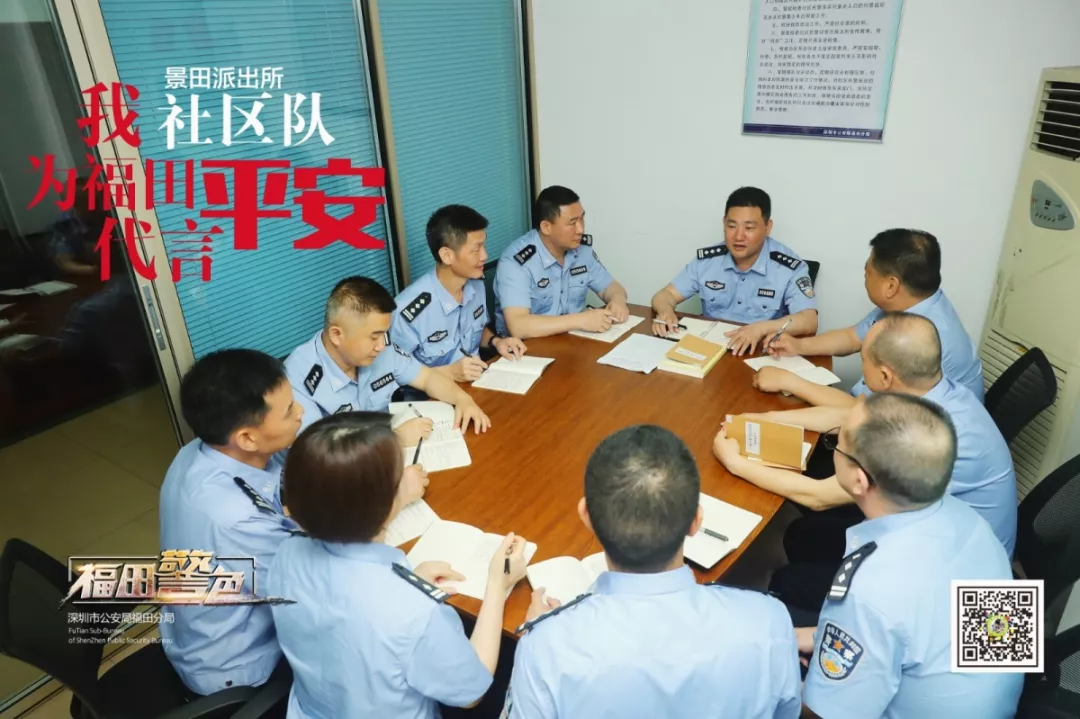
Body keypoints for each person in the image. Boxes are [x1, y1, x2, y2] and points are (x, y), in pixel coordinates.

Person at [715, 313, 1017, 610]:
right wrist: (767, 419)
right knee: (802, 536)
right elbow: (853, 414)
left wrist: (736, 463)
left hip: (945, 594)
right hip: (977, 577)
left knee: (786, 581)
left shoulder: (918, 440)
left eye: (863, 359)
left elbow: (818, 496)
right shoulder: (935, 401)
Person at [504, 425, 801, 718]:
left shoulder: (546, 648)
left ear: (586, 516)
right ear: (696, 521)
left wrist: (539, 635)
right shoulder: (769, 622)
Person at [267, 411, 528, 718]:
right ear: (387, 501)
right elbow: (471, 693)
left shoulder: (286, 553)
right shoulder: (413, 612)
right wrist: (498, 584)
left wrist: (404, 583)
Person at [792, 393, 1022, 718]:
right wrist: (825, 638)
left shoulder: (871, 590)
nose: (834, 447)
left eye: (836, 444)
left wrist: (776, 686)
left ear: (859, 480)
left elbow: (825, 714)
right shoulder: (973, 523)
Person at [158, 349, 303, 695]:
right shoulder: (233, 516)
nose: (301, 412)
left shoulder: (195, 453)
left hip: (195, 629)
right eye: (288, 411)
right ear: (247, 438)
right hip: (238, 665)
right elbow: (308, 590)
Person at [763, 228, 984, 405]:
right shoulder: (911, 301)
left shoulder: (923, 339)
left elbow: (865, 414)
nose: (865, 277)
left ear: (891, 286)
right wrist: (798, 346)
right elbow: (852, 337)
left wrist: (789, 382)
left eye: (867, 271)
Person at [284, 276, 491, 446]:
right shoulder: (298, 377)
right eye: (374, 337)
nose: (382, 345)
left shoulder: (381, 349)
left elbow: (427, 378)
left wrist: (463, 400)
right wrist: (395, 440)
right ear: (337, 335)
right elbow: (317, 455)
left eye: (384, 334)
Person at [651, 186, 818, 356]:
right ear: (724, 223)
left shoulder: (789, 267)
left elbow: (809, 320)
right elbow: (665, 295)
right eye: (732, 226)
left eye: (749, 228)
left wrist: (761, 328)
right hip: (711, 349)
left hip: (761, 352)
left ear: (767, 227)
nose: (738, 236)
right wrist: (665, 312)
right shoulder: (708, 261)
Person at [391, 205, 527, 383]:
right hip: (434, 395)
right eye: (476, 249)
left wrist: (496, 341)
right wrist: (449, 373)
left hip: (480, 382)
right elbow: (394, 373)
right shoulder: (408, 311)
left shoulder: (476, 285)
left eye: (483, 246)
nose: (484, 256)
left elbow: (476, 330)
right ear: (447, 255)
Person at [494, 185, 630, 339]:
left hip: (571, 341)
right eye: (572, 223)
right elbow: (518, 327)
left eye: (582, 218)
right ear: (546, 227)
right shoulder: (516, 262)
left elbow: (611, 287)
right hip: (528, 348)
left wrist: (617, 301)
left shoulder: (581, 251)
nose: (580, 229)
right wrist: (580, 320)